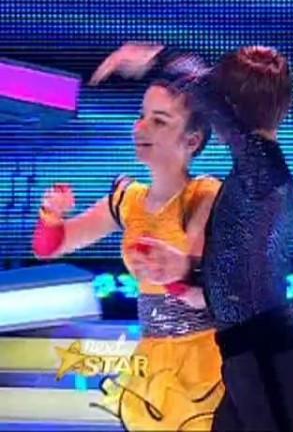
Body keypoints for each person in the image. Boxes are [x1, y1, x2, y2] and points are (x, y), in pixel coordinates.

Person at [92, 42, 293, 431]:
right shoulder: (258, 174)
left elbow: (201, 88)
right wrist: (184, 273)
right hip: (252, 360)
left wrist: (156, 58)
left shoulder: (260, 172)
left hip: (268, 362)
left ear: (229, 107)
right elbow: (242, 281)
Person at [32, 55, 224, 431]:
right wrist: (51, 214)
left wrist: (172, 274)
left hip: (203, 357)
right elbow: (51, 246)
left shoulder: (205, 195)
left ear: (192, 140)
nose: (141, 127)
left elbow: (212, 292)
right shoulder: (127, 199)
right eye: (142, 115)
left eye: (159, 121)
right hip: (152, 358)